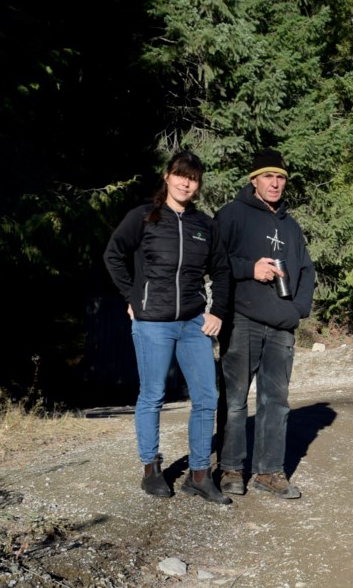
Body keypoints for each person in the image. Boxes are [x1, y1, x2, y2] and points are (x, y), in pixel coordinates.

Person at [103, 150, 232, 505]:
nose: (186, 183)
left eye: (193, 178)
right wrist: (132, 297)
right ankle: (151, 469)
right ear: (167, 176)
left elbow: (221, 270)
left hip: (193, 322)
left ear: (198, 184)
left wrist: (217, 310)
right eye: (180, 175)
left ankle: (200, 474)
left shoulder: (205, 225)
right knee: (153, 395)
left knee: (207, 397)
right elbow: (113, 255)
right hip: (152, 322)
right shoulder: (143, 217)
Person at [215, 148, 315, 499]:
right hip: (242, 318)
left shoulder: (290, 225)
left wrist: (298, 310)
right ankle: (230, 468)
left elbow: (306, 269)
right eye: (268, 176)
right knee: (235, 398)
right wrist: (248, 268)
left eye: (281, 177)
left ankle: (269, 471)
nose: (275, 183)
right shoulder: (232, 215)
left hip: (281, 326)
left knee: (277, 400)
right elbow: (214, 260)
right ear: (254, 180)